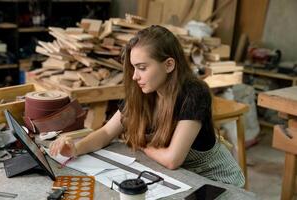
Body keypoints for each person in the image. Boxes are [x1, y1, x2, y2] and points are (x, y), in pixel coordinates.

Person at [49, 25, 245, 187]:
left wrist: (141, 143)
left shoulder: (193, 93)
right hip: (181, 178)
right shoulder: (143, 92)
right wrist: (76, 148)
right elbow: (107, 133)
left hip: (216, 181)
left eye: (142, 68)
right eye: (134, 68)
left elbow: (172, 159)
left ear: (169, 65)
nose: (135, 76)